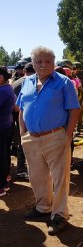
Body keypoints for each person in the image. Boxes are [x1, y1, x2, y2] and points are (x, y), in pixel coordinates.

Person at [16, 46, 80, 235]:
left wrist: (67, 136)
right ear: (33, 63)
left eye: (48, 61)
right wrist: (22, 133)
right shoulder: (27, 82)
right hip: (31, 138)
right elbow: (21, 108)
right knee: (36, 176)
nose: (43, 65)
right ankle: (43, 207)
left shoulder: (64, 83)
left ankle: (59, 214)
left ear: (53, 62)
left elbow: (74, 110)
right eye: (39, 61)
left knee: (60, 178)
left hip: (55, 136)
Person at [11, 62, 35, 179]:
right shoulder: (29, 82)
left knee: (21, 141)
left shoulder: (16, 82)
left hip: (15, 117)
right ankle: (22, 169)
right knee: (26, 143)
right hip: (25, 117)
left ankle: (21, 168)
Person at [0, 66, 16, 196]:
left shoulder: (3, 91)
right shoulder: (7, 89)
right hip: (6, 125)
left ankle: (1, 185)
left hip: (2, 127)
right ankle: (4, 182)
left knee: (1, 157)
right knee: (4, 155)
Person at [72, 62, 83, 133]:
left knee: (80, 113)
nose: (73, 70)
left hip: (81, 98)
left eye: (74, 68)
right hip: (75, 98)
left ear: (78, 69)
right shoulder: (73, 77)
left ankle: (78, 128)